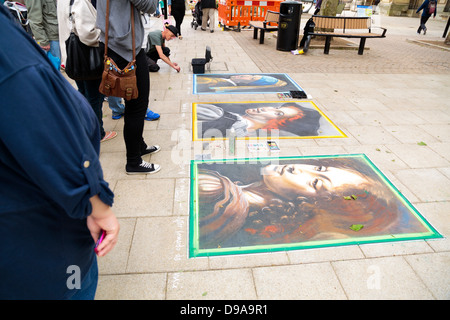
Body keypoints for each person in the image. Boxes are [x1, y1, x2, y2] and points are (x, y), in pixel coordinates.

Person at [0, 5, 119, 299]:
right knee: (73, 286)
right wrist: (96, 203)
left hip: (27, 232)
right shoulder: (7, 53)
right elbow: (42, 127)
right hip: (42, 245)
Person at [196, 158, 430, 249]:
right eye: (319, 169)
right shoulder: (239, 192)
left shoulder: (221, 198)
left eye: (317, 183)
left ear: (311, 204)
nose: (300, 170)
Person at [96, 0, 162, 174]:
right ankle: (133, 161)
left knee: (135, 104)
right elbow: (149, 6)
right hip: (124, 46)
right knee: (137, 105)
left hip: (112, 41)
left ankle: (139, 146)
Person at [57, 0, 117, 142]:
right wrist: (103, 35)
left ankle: (85, 129)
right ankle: (98, 133)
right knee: (94, 98)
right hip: (87, 60)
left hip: (72, 56)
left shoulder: (62, 1)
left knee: (83, 94)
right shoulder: (80, 1)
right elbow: (87, 34)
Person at [196, 102, 321, 138]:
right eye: (276, 107)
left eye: (278, 113)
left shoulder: (223, 116)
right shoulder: (229, 116)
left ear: (276, 124)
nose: (267, 108)